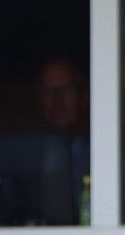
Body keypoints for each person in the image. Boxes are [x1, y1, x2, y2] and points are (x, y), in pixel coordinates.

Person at [36, 56, 91, 220]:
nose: (57, 99)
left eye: (66, 89)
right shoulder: (28, 153)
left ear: (83, 94)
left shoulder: (103, 151)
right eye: (48, 91)